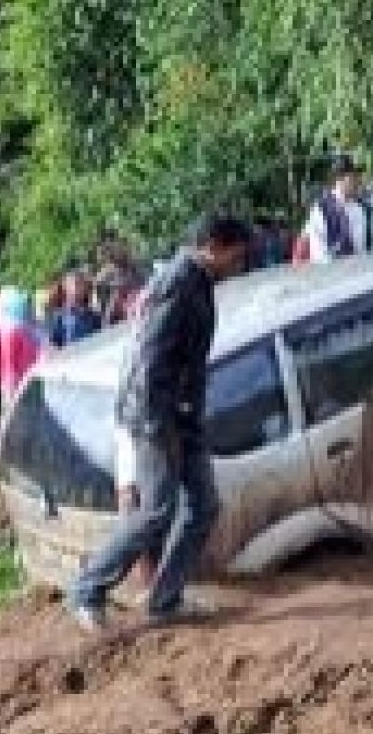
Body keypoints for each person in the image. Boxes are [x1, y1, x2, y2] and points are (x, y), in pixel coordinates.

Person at [69, 212, 253, 631]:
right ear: (215, 247)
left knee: (204, 506)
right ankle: (88, 589)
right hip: (156, 413)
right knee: (156, 511)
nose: (239, 267)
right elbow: (148, 358)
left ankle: (165, 600)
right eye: (237, 257)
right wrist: (156, 422)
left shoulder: (198, 280)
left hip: (182, 413)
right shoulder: (178, 281)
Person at [303, 155, 373, 263]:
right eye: (353, 176)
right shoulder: (321, 210)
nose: (358, 181)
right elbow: (319, 254)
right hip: (335, 275)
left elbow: (368, 246)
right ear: (339, 178)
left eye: (358, 176)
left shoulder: (362, 209)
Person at [0, 286, 42, 406]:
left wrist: (10, 393)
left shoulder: (9, 333)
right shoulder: (31, 332)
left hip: (15, 385)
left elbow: (9, 366)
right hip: (30, 383)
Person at [48, 271, 103, 348]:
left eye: (79, 285)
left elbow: (100, 340)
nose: (76, 289)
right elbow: (54, 343)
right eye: (72, 285)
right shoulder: (58, 317)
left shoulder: (94, 316)